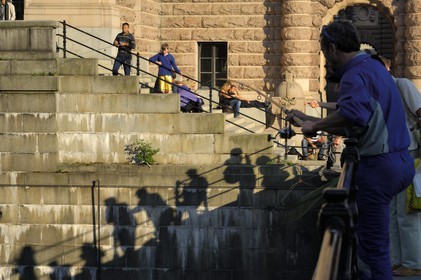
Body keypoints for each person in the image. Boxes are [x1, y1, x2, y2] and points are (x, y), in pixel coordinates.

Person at [286, 21, 414, 280]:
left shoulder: (353, 74)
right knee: (375, 240)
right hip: (401, 160)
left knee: (373, 248)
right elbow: (363, 121)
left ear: (332, 48)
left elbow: (354, 113)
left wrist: (316, 124)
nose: (325, 60)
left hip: (380, 166)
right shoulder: (374, 67)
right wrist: (311, 122)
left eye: (323, 53)